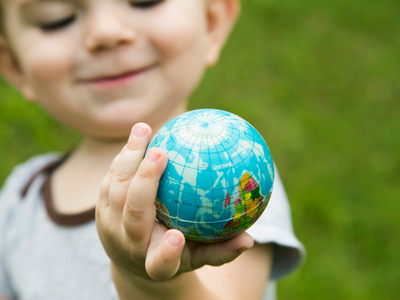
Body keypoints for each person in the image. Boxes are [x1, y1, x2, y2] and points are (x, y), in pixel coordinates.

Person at [0, 0, 305, 299]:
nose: (106, 33)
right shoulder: (19, 197)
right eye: (57, 17)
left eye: (145, 1)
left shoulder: (236, 176)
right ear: (15, 66)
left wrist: (149, 282)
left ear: (211, 23)